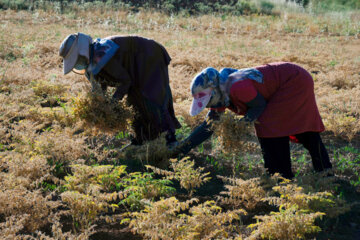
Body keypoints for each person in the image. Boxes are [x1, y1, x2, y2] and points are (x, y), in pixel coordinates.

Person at [175, 62, 332, 179]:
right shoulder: (220, 90)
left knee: (269, 127)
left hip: (294, 81)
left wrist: (241, 124)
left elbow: (259, 106)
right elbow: (209, 126)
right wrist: (182, 148)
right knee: (294, 130)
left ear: (214, 90)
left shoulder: (236, 87)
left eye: (209, 101)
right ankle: (324, 172)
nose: (210, 106)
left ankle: (281, 177)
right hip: (291, 80)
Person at [59, 32, 181, 146]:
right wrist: (98, 106)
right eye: (76, 63)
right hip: (136, 63)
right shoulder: (92, 63)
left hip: (148, 56)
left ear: (83, 52)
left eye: (78, 61)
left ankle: (170, 139)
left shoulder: (103, 54)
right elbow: (99, 88)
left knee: (151, 97)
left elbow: (125, 81)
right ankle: (142, 139)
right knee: (134, 102)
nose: (78, 64)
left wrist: (113, 102)